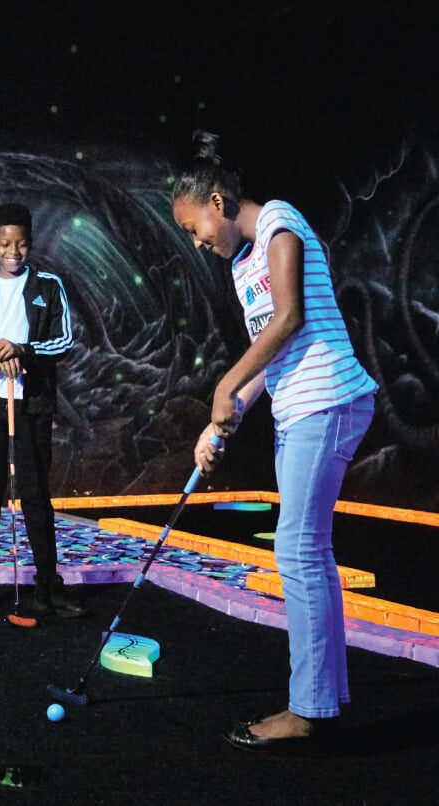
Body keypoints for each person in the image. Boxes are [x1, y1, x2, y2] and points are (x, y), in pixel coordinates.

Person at [172, 131, 377, 752]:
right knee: (309, 552)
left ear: (218, 199)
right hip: (296, 410)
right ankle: (326, 697)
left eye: (194, 226)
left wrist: (223, 384)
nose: (197, 241)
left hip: (330, 400)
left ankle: (307, 711)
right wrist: (224, 415)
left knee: (297, 549)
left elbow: (290, 317)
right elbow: (271, 355)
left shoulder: (280, 222)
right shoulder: (241, 265)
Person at [0, 202, 86, 618]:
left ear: (31, 244)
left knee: (35, 493)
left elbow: (63, 342)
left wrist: (22, 351)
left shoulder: (48, 286)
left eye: (21, 244)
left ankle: (47, 586)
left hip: (32, 404)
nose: (14, 252)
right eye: (5, 244)